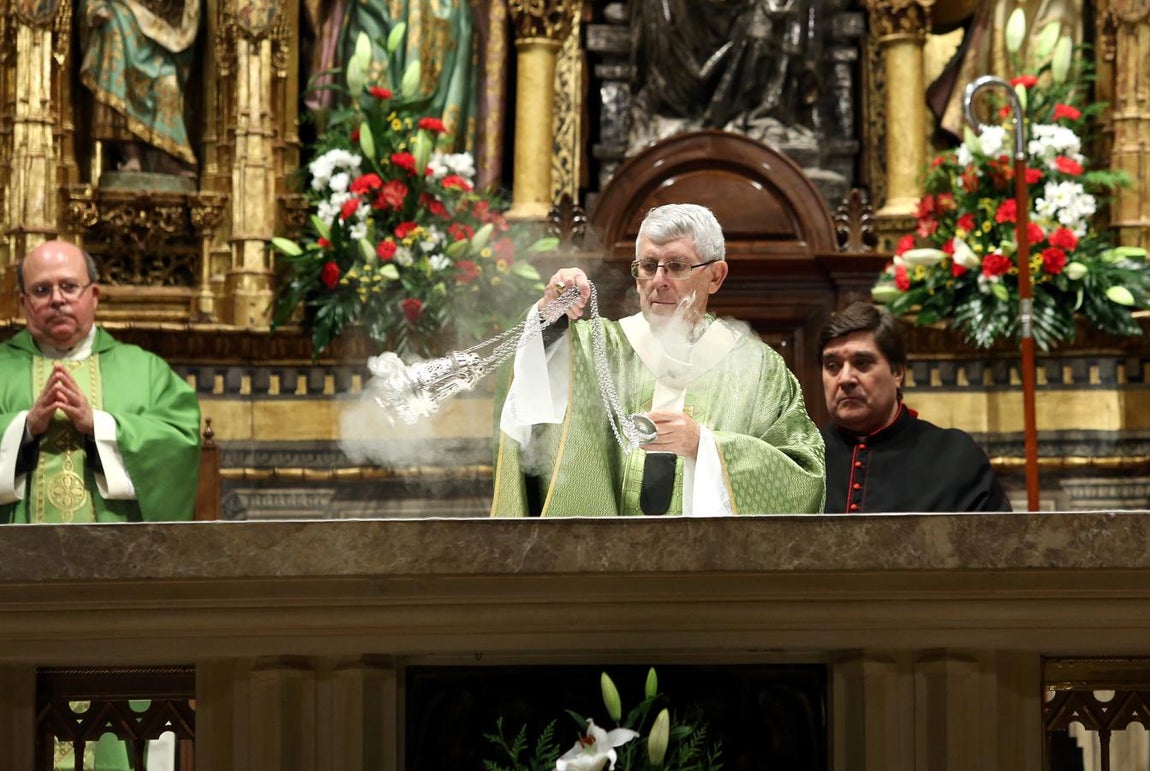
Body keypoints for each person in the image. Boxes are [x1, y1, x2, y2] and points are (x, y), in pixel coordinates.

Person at [491, 203, 825, 517]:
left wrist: (704, 447)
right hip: (608, 565)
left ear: (716, 276)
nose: (658, 282)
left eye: (677, 266)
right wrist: (550, 315)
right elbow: (530, 382)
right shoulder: (597, 348)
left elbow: (804, 476)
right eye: (648, 267)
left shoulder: (759, 369)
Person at [0, 240, 202, 525]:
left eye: (69, 286)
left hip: (119, 557)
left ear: (93, 295)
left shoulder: (146, 370)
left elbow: (179, 442)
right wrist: (25, 428)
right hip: (14, 561)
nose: (57, 299)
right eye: (42, 290)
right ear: (23, 302)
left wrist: (99, 425)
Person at [818, 302, 1011, 513]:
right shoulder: (799, 459)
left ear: (897, 373)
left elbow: (996, 543)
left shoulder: (956, 457)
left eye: (862, 363)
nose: (845, 378)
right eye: (832, 366)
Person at [79, 0, 200, 175]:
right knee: (113, 45)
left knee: (168, 84)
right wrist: (94, 9)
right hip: (121, 20)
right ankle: (130, 154)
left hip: (161, 35)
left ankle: (165, 158)